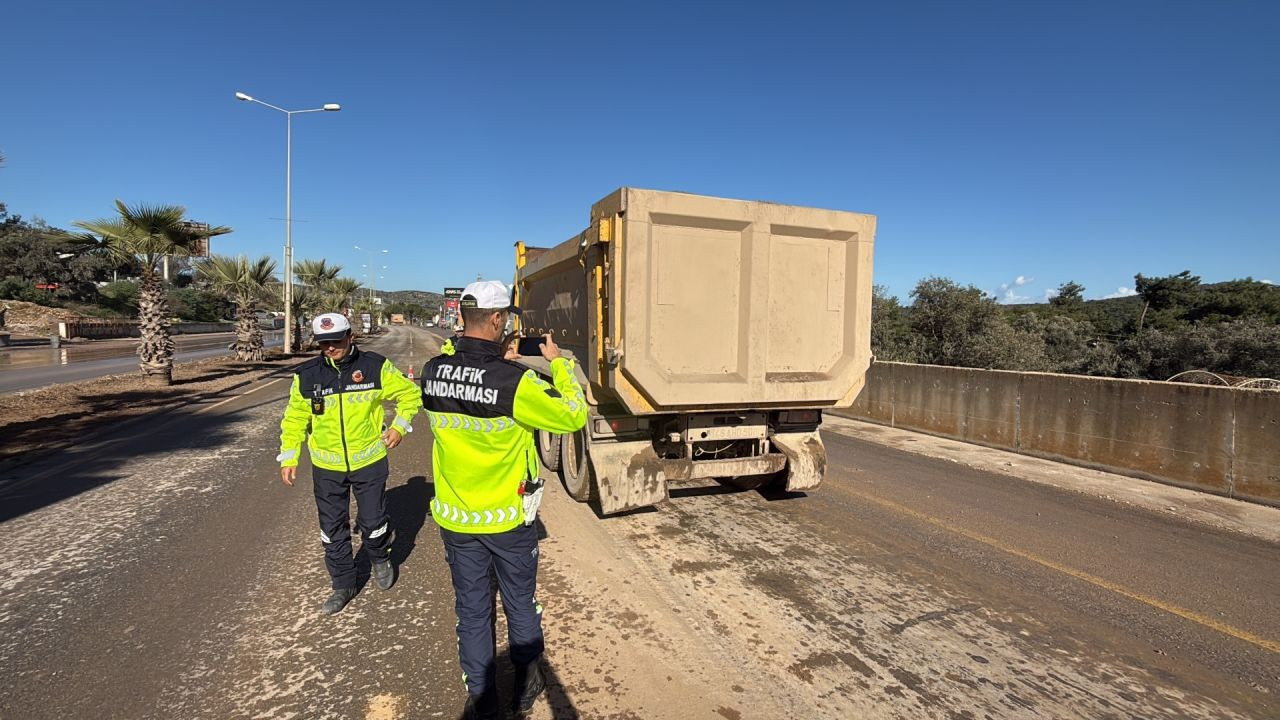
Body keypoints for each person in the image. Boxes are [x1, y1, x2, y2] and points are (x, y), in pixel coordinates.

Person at [420, 280, 587, 719]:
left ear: (461, 317)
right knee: (519, 604)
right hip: (508, 520)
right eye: (506, 319)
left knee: (473, 611)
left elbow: (464, 370)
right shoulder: (517, 383)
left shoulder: (432, 372)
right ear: (497, 319)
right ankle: (527, 683)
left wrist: (492, 359)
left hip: (457, 519)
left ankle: (483, 698)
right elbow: (573, 415)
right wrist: (559, 364)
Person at [277, 312, 423, 615]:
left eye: (336, 341)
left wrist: (399, 427)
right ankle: (343, 583)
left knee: (373, 523)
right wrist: (289, 456)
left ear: (350, 337)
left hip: (368, 461)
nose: (330, 347)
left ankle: (379, 557)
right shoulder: (307, 375)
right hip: (327, 466)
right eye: (323, 343)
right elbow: (294, 419)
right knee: (331, 528)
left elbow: (410, 395)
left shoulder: (374, 367)